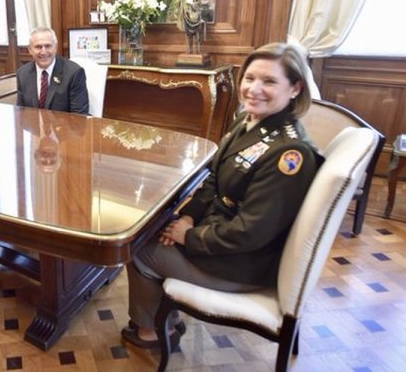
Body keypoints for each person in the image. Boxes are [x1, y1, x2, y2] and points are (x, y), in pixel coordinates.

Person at [122, 42, 322, 350]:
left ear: (295, 88)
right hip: (221, 236)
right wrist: (188, 217)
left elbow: (250, 233)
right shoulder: (250, 120)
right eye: (250, 78)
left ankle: (151, 332)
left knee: (139, 247)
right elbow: (214, 178)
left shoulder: (289, 153)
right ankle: (166, 319)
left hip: (241, 263)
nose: (254, 89)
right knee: (157, 228)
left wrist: (189, 236)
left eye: (269, 81)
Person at [16, 26, 89, 114]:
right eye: (38, 47)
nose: (43, 52)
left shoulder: (74, 73)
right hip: (33, 126)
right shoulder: (22, 74)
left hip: (64, 127)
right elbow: (21, 112)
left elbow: (79, 116)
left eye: (48, 46)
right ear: (30, 50)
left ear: (56, 47)